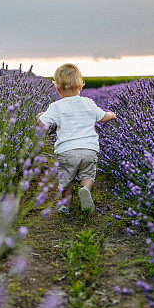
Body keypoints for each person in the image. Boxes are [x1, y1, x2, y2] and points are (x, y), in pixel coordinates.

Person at [36, 63, 117, 215]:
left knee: (66, 181)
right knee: (87, 175)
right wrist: (112, 114)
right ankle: (85, 189)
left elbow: (42, 125)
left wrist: (40, 116)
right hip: (89, 150)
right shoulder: (89, 103)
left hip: (67, 153)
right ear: (81, 87)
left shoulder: (55, 106)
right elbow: (103, 117)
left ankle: (66, 206)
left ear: (58, 89)